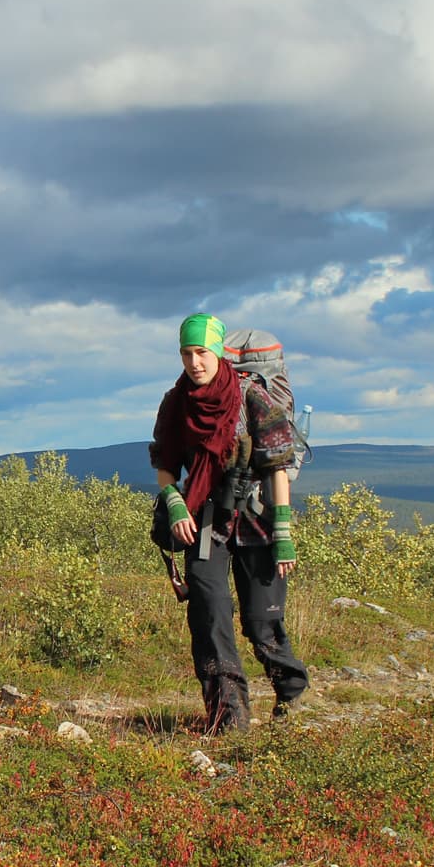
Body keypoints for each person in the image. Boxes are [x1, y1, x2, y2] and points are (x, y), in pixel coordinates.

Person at [149, 312, 308, 733]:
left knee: (261, 622)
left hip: (257, 520)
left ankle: (289, 690)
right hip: (205, 521)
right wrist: (175, 503)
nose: (194, 362)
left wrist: (284, 534)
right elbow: (165, 462)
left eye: (202, 352)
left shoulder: (252, 398)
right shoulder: (175, 402)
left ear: (218, 352)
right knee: (209, 612)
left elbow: (277, 465)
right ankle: (228, 715)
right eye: (186, 353)